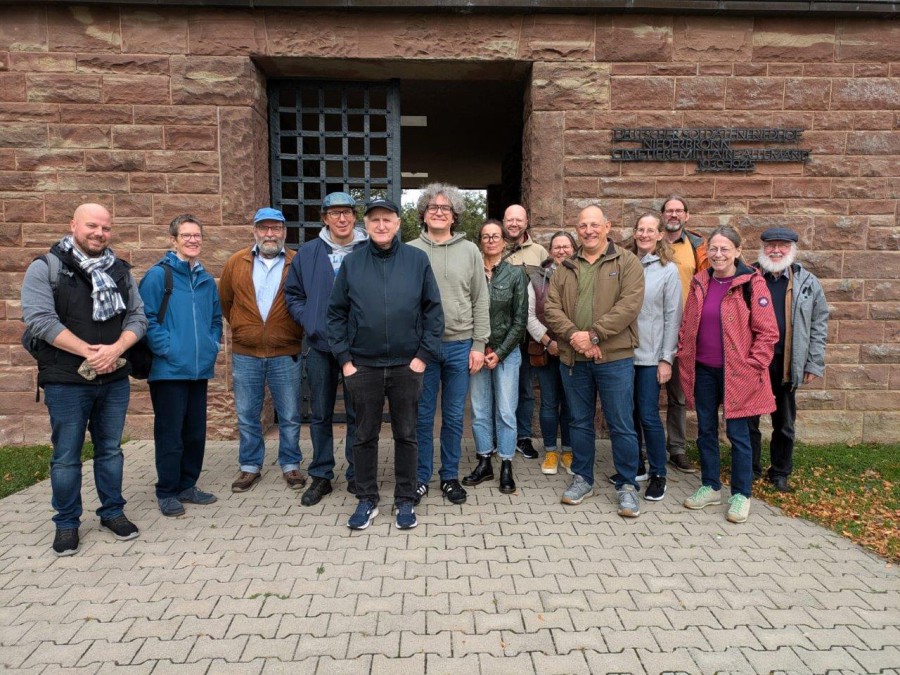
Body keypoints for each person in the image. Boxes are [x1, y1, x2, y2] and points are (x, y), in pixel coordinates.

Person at [21, 203, 147, 556]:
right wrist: (89, 352)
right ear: (73, 224)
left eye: (105, 228)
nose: (99, 233)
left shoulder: (120, 270)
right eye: (92, 226)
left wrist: (116, 348)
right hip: (65, 380)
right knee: (66, 456)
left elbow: (138, 317)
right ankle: (66, 523)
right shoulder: (46, 267)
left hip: (114, 377)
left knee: (110, 450)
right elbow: (39, 319)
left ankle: (112, 512)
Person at [327, 198, 443, 530]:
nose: (381, 225)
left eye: (387, 219)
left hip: (407, 366)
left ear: (398, 223)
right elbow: (336, 314)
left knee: (407, 434)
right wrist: (345, 360)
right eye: (374, 220)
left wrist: (422, 357)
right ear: (366, 224)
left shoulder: (417, 260)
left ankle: (405, 500)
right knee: (364, 435)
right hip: (363, 365)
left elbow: (433, 311)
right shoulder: (353, 263)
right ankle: (366, 499)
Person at [544, 205, 644, 516]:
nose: (588, 231)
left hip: (615, 358)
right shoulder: (566, 267)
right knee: (579, 421)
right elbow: (551, 308)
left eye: (594, 225)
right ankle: (582, 479)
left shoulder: (626, 262)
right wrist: (576, 336)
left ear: (607, 227)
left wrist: (594, 336)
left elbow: (629, 305)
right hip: (574, 358)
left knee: (621, 423)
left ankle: (627, 485)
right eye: (583, 225)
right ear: (577, 229)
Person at [679, 226, 779, 524]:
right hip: (704, 371)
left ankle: (741, 494)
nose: (718, 254)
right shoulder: (700, 282)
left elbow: (767, 332)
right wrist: (684, 349)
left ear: (737, 251)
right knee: (706, 431)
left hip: (738, 373)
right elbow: (688, 322)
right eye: (713, 248)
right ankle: (710, 486)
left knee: (738, 435)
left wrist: (753, 365)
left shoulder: (752, 284)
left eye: (724, 249)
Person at [409, 183, 489, 506]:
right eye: (433, 207)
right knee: (423, 416)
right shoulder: (410, 250)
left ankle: (449, 477)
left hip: (460, 346)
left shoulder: (470, 251)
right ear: (424, 214)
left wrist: (479, 345)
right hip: (422, 349)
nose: (439, 212)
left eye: (445, 208)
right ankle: (420, 478)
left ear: (454, 216)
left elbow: (480, 299)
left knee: (454, 417)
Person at [285, 192, 368, 506]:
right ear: (324, 218)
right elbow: (293, 294)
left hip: (358, 346)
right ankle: (321, 474)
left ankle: (358, 473)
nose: (342, 218)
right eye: (335, 213)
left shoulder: (369, 249)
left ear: (354, 217)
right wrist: (309, 318)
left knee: (358, 413)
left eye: (347, 212)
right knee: (320, 413)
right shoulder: (308, 253)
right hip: (320, 346)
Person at [139, 214, 223, 517]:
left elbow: (216, 319)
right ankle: (167, 491)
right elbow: (145, 318)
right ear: (173, 240)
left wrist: (212, 346)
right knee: (170, 434)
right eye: (186, 235)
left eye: (197, 235)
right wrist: (168, 349)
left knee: (195, 433)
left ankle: (188, 485)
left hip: (198, 369)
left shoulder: (205, 279)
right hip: (169, 370)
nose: (193, 240)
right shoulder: (158, 276)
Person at [219, 207, 306, 493]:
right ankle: (249, 466)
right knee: (247, 414)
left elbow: (306, 299)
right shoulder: (236, 262)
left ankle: (290, 464)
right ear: (255, 231)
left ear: (284, 232)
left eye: (276, 228)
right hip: (246, 353)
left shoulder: (297, 261)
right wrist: (246, 328)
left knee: (290, 414)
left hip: (286, 351)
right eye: (264, 228)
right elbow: (226, 302)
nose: (270, 234)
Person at [749, 227, 829, 493]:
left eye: (782, 246)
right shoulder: (749, 277)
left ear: (792, 249)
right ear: (763, 248)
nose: (776, 250)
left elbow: (818, 324)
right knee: (749, 420)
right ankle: (750, 469)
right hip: (754, 362)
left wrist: (813, 363)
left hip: (786, 363)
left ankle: (780, 472)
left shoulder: (807, 282)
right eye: (770, 245)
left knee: (783, 422)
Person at [462, 220, 528, 494]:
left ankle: (506, 464)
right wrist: (478, 348)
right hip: (477, 351)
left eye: (495, 236)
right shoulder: (471, 272)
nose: (491, 241)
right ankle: (484, 461)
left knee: (505, 411)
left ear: (504, 241)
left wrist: (499, 353)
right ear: (480, 241)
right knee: (480, 410)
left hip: (506, 353)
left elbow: (520, 320)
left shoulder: (515, 274)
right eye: (486, 236)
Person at [624, 213, 682, 502]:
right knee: (628, 413)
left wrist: (666, 358)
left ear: (660, 235)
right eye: (640, 229)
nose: (644, 234)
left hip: (650, 356)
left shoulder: (667, 270)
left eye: (650, 230)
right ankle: (636, 466)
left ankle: (659, 473)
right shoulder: (624, 263)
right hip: (623, 354)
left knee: (648, 414)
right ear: (634, 232)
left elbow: (673, 316)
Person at [660, 196, 709, 474]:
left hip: (685, 330)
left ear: (687, 216)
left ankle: (677, 448)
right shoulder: (649, 243)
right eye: (669, 210)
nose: (674, 215)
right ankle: (644, 447)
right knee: (644, 394)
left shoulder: (697, 247)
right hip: (652, 329)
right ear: (662, 215)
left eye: (679, 211)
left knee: (678, 395)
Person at [525, 230, 576, 476]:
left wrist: (572, 341)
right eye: (557, 246)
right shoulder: (537, 278)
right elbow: (529, 315)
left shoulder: (583, 273)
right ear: (550, 250)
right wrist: (547, 341)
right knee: (548, 402)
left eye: (566, 246)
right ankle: (550, 451)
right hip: (547, 350)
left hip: (574, 350)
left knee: (570, 403)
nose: (561, 250)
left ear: (574, 249)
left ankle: (568, 451)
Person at [502, 204, 549, 461]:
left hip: (528, 334)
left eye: (518, 220)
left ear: (526, 222)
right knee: (499, 388)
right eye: (510, 219)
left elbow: (548, 289)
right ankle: (499, 435)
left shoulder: (539, 252)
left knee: (526, 388)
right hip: (501, 332)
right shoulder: (494, 247)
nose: (514, 224)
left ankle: (523, 437)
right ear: (504, 221)